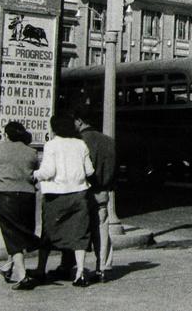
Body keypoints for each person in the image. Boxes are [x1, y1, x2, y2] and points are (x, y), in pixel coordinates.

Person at [32, 113, 95, 287]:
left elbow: (48, 171)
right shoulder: (81, 144)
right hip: (79, 194)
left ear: (54, 127)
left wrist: (35, 174)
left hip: (55, 195)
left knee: (48, 234)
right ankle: (80, 273)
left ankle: (40, 269)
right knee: (79, 234)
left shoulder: (52, 145)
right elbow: (89, 171)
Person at [0, 121, 40, 290]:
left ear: (6, 135)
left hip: (5, 196)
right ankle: (8, 267)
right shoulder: (32, 152)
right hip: (27, 197)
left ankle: (22, 276)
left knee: (11, 233)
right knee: (18, 232)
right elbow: (35, 174)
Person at [74, 105, 116, 282]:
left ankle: (78, 267)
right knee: (102, 228)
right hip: (102, 192)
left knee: (80, 230)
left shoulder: (78, 141)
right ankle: (103, 267)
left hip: (84, 192)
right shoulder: (108, 141)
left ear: (80, 121)